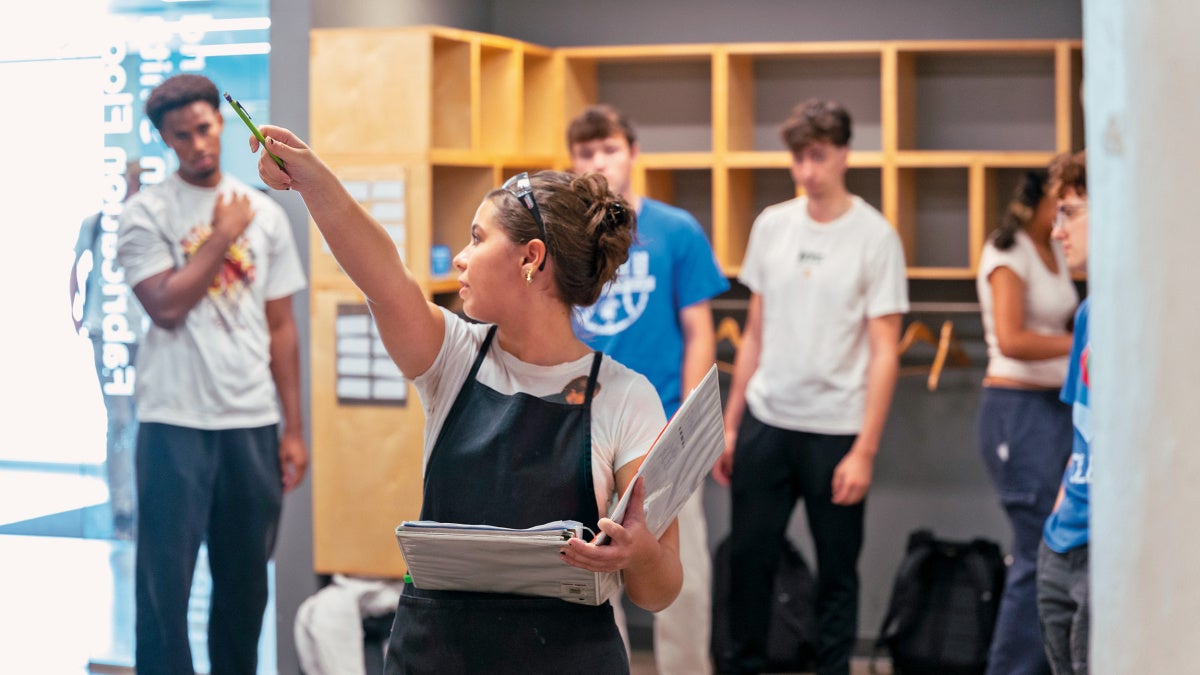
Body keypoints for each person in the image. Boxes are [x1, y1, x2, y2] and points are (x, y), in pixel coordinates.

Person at [249, 124, 683, 674]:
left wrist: (639, 554)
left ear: (531, 258)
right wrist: (312, 180)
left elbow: (660, 590)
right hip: (434, 656)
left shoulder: (625, 396)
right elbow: (380, 273)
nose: (460, 258)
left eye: (477, 239)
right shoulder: (452, 356)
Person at [116, 73, 308, 674]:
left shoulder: (266, 215)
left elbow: (282, 328)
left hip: (251, 421)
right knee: (164, 591)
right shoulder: (144, 213)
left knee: (245, 587)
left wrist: (294, 428)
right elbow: (166, 306)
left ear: (221, 122)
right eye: (182, 135)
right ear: (165, 140)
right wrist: (222, 235)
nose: (198, 144)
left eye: (204, 128)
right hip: (173, 421)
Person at [712, 99, 908, 675]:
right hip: (767, 421)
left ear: (844, 154)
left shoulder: (875, 237)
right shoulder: (772, 225)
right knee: (748, 561)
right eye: (798, 157)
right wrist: (731, 424)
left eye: (818, 156)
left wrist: (865, 450)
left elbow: (885, 352)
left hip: (837, 430)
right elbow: (754, 333)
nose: (807, 170)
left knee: (838, 573)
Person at [568, 103, 729, 675]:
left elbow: (699, 330)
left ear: (633, 153)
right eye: (586, 152)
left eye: (610, 148)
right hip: (584, 421)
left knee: (682, 575)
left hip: (662, 427)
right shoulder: (566, 235)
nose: (599, 161)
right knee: (589, 568)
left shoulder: (676, 229)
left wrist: (690, 422)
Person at [974, 168, 1078, 675]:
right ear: (1040, 202)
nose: (1065, 215)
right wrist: (1086, 342)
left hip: (1055, 407)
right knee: (1037, 553)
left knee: (1059, 552)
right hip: (1017, 412)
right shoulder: (1008, 251)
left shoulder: (1054, 248)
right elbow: (1012, 339)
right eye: (1062, 203)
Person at [69, 161, 146, 541]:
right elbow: (77, 267)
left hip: (145, 334)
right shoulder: (97, 223)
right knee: (119, 421)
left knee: (143, 421)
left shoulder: (149, 222)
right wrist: (77, 313)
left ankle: (142, 506)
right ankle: (122, 510)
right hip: (107, 331)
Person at [1037, 150, 1091, 675]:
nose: (1057, 232)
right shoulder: (1088, 314)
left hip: (1116, 546)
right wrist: (1054, 531)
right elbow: (1082, 432)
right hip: (1064, 541)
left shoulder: (1163, 315)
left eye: (1070, 213)